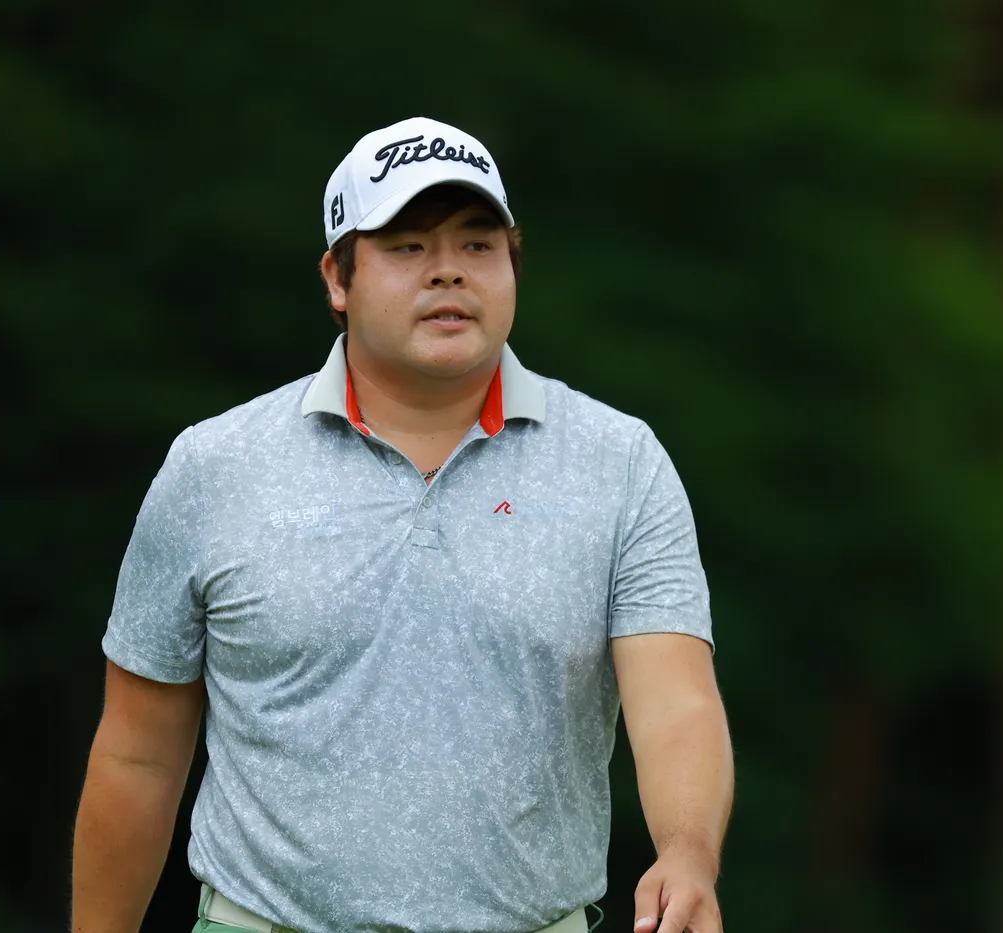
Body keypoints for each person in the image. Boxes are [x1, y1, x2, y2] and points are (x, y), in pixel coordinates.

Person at [71, 116, 733, 933]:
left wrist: (688, 852)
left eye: (477, 244)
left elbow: (675, 703)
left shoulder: (620, 463)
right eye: (407, 246)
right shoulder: (215, 466)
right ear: (337, 277)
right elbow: (138, 755)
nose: (448, 270)